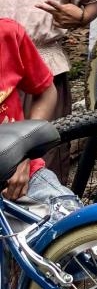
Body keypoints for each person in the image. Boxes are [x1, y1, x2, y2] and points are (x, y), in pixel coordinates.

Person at [0, 16, 72, 207]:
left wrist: (25, 154)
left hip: (20, 177)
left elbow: (46, 91)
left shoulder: (8, 34)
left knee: (69, 214)